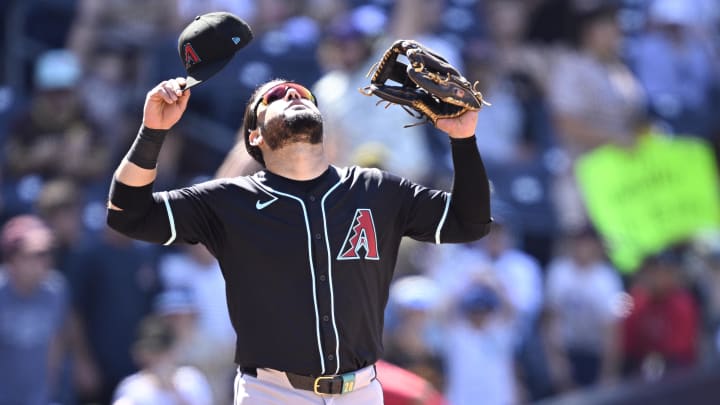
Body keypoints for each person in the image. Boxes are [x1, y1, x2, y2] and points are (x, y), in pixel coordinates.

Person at [105, 55, 491, 404]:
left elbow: (469, 222)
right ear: (254, 136)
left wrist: (464, 139)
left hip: (361, 391)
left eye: (303, 95)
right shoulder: (228, 201)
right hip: (272, 392)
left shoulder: (377, 189)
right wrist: (152, 132)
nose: (292, 94)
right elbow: (128, 214)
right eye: (276, 97)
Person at [0, 215, 70, 405]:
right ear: (12, 259)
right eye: (36, 254)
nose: (45, 261)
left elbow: (55, 345)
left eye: (47, 253)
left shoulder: (56, 290)